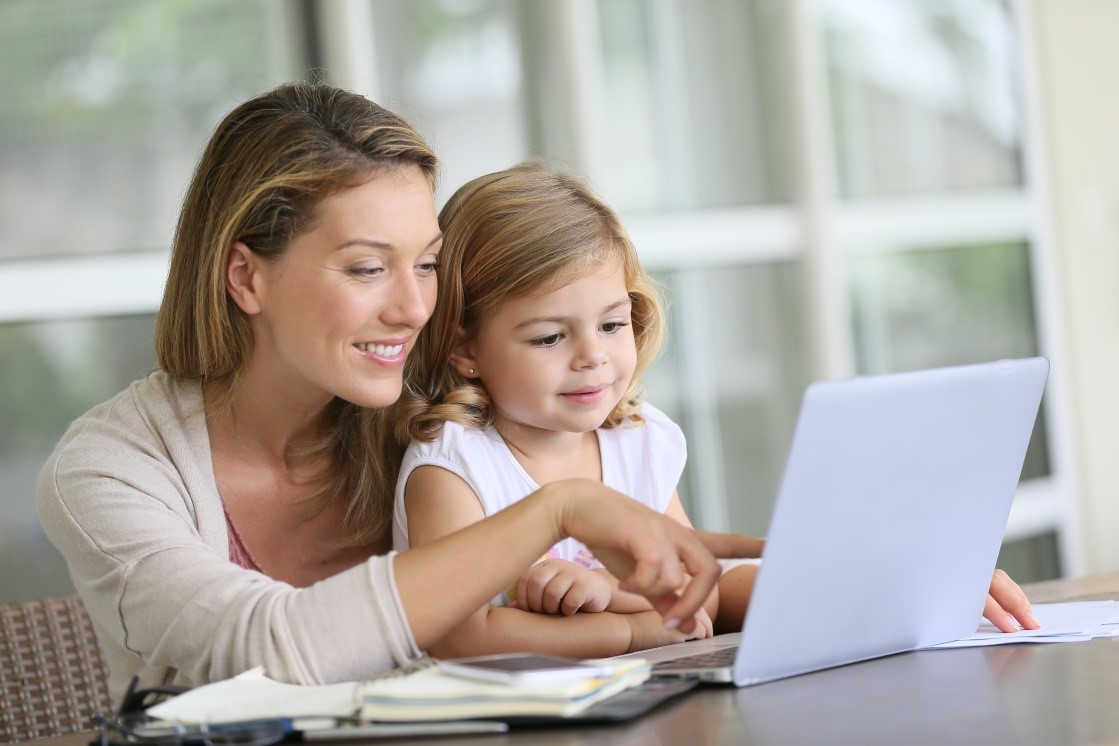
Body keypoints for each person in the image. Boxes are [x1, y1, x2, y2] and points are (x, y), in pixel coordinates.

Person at [35, 82, 755, 703]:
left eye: (427, 265)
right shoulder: (111, 470)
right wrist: (557, 512)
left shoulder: (437, 428)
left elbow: (637, 576)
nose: (415, 309)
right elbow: (267, 645)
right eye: (366, 269)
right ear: (246, 277)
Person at [387, 162, 1041, 661]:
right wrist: (629, 627)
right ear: (465, 348)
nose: (592, 358)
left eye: (612, 325)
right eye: (550, 338)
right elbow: (458, 637)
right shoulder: (454, 465)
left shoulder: (635, 441)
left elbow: (696, 591)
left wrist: (878, 579)